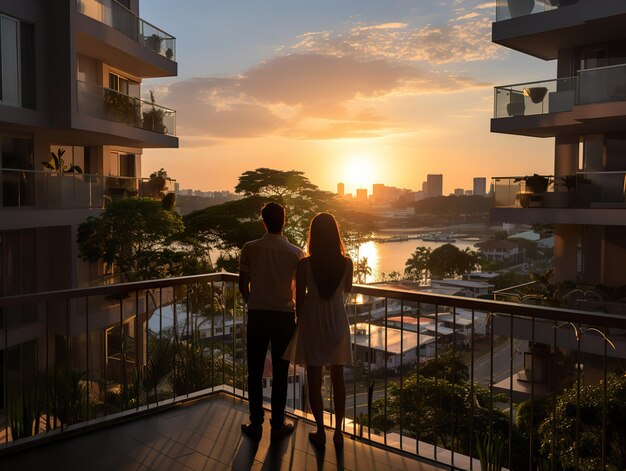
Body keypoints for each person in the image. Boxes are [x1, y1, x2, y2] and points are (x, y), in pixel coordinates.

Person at [283, 212, 353, 449]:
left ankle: (321, 430)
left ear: (313, 235)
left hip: (313, 321)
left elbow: (299, 300)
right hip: (336, 320)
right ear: (335, 235)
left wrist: (300, 323)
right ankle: (339, 432)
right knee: (338, 378)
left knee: (315, 379)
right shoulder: (347, 263)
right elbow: (348, 288)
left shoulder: (304, 264)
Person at [239, 202, 305, 441]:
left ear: (263, 222)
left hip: (258, 314)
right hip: (285, 317)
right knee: (280, 372)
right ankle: (278, 424)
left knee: (254, 371)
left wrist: (253, 300)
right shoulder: (296, 253)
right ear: (284, 221)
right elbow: (301, 292)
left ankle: (256, 423)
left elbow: (242, 284)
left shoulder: (250, 248)